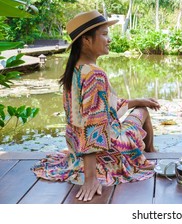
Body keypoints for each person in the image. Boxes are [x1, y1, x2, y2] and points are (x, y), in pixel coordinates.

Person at [32, 10, 161, 201]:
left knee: (140, 106)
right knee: (142, 113)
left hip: (78, 154)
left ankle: (146, 151)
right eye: (104, 34)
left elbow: (102, 111)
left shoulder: (75, 70)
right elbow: (93, 125)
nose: (108, 39)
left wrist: (137, 100)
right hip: (109, 153)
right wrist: (91, 179)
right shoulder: (95, 74)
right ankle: (149, 154)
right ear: (86, 40)